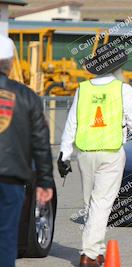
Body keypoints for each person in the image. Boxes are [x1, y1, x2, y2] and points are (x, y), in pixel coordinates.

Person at [58, 43, 132, 267]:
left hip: (85, 153)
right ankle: (89, 254)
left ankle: (97, 250)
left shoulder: (83, 89)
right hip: (111, 152)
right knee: (102, 203)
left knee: (92, 204)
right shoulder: (124, 90)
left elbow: (72, 123)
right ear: (118, 67)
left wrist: (64, 154)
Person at [0, 35, 54, 267]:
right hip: (12, 179)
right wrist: (44, 181)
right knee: (6, 238)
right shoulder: (27, 96)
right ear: (11, 63)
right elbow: (41, 142)